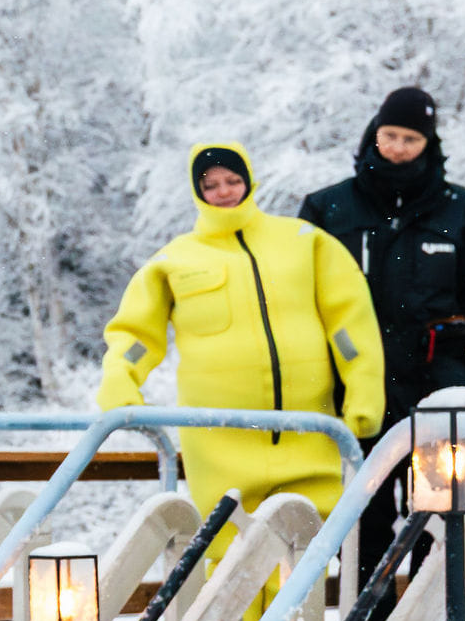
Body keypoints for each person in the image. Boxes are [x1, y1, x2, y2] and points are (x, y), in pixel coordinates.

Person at [99, 140, 385, 564]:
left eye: (233, 180)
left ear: (250, 180)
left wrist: (364, 393)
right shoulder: (174, 260)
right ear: (197, 192)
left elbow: (348, 325)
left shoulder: (305, 242)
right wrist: (119, 386)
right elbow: (138, 336)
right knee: (230, 551)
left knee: (306, 549)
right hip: (220, 441)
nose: (225, 191)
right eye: (211, 184)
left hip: (308, 433)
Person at [298, 84, 465, 585]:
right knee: (363, 528)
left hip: (444, 393)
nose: (397, 147)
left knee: (447, 525)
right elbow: (297, 305)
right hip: (357, 396)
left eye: (410, 139)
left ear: (428, 144)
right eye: (389, 135)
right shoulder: (327, 209)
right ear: (374, 133)